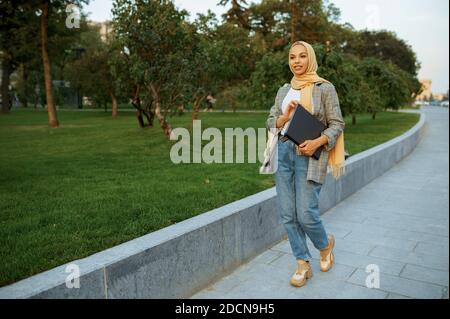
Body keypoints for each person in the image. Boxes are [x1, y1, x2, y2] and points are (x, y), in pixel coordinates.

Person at [266, 40, 346, 288]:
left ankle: (324, 245)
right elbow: (270, 122)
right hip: (283, 152)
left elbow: (337, 124)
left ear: (309, 58)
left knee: (306, 214)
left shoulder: (325, 88)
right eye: (292, 57)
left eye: (302, 56)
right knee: (288, 215)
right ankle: (302, 263)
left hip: (310, 154)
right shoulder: (283, 90)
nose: (297, 61)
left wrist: (317, 142)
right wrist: (284, 117)